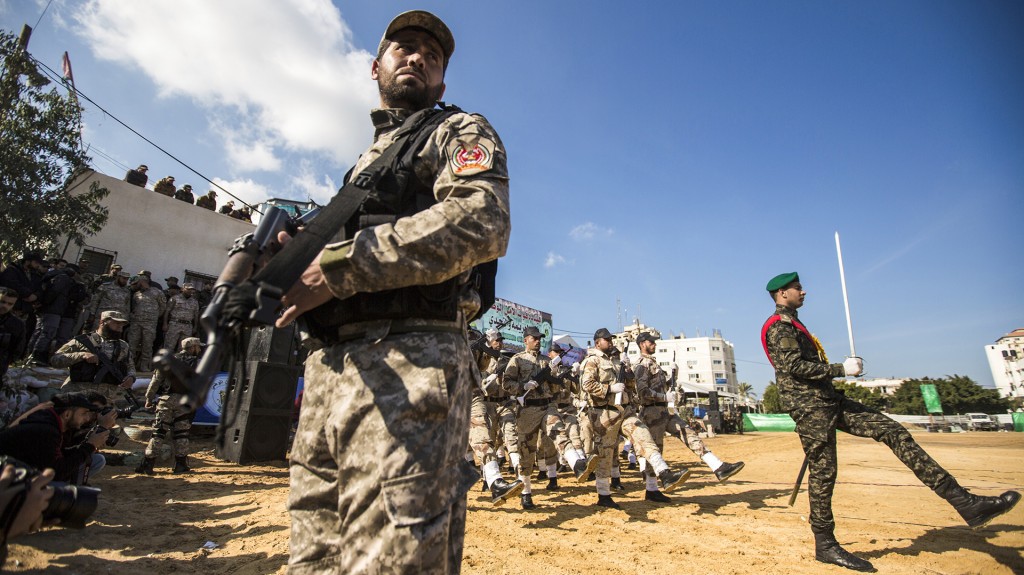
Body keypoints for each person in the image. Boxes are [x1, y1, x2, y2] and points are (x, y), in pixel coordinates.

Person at [275, 10, 510, 574]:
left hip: (407, 363)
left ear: (442, 82)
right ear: (374, 66)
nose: (418, 58)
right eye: (404, 47)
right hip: (331, 374)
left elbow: (482, 220)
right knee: (313, 560)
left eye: (432, 56)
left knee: (389, 563)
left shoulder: (456, 130)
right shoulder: (366, 165)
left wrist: (333, 269)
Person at [762, 272, 1020, 572]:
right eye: (797, 288)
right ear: (782, 294)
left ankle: (963, 501)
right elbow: (793, 366)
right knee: (824, 472)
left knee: (893, 430)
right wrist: (839, 368)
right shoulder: (779, 326)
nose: (803, 292)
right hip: (810, 407)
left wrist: (836, 373)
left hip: (828, 400)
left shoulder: (793, 323)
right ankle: (825, 543)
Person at [580, 328, 688, 508]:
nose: (611, 342)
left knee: (643, 436)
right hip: (604, 413)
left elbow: (630, 386)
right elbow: (587, 385)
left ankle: (664, 473)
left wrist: (627, 371)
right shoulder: (591, 361)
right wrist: (609, 389)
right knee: (605, 456)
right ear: (598, 342)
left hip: (625, 410)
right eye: (607, 339)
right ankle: (603, 495)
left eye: (611, 339)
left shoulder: (615, 361)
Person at [633, 332, 744, 502]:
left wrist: (670, 378)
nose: (655, 344)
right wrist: (664, 397)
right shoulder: (641, 365)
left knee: (688, 433)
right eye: (651, 342)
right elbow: (642, 392)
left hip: (665, 410)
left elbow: (660, 387)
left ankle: (718, 466)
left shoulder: (653, 363)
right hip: (651, 412)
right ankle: (651, 489)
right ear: (642, 344)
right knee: (655, 449)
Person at [503, 326, 594, 509]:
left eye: (539, 338)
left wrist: (553, 375)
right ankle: (526, 492)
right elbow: (506, 383)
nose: (538, 341)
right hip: (527, 411)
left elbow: (554, 389)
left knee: (559, 431)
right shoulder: (517, 359)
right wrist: (523, 386)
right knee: (526, 453)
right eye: (534, 338)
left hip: (547, 406)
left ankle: (577, 464)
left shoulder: (546, 361)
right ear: (526, 340)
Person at [0, 392, 112, 483]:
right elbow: (56, 473)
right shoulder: (46, 430)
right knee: (61, 490)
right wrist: (89, 446)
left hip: (25, 471)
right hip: (9, 479)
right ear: (67, 414)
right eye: (83, 413)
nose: (87, 418)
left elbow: (59, 455)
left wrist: (88, 446)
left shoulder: (53, 423)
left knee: (96, 460)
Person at [137, 337, 201, 475]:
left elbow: (156, 380)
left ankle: (148, 464)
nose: (200, 350)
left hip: (167, 399)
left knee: (158, 432)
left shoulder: (169, 361)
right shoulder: (199, 364)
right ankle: (181, 465)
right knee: (181, 433)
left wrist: (149, 398)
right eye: (198, 347)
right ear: (192, 348)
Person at [51, 310, 136, 409]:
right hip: (78, 393)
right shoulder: (82, 341)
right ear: (102, 322)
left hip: (105, 398)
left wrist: (131, 378)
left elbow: (130, 366)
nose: (120, 327)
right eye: (116, 323)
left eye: (122, 324)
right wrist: (81, 355)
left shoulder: (123, 346)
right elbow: (55, 360)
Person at [126, 275, 166, 372]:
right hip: (136, 323)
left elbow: (163, 307)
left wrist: (153, 316)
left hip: (150, 324)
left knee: (147, 345)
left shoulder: (157, 292)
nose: (135, 286)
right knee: (132, 345)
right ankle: (129, 365)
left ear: (143, 282)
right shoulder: (136, 294)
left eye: (137, 283)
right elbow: (133, 308)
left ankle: (144, 367)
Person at [163, 283, 199, 354]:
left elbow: (196, 316)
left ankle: (177, 364)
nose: (190, 291)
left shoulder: (195, 302)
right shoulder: (175, 298)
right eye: (188, 289)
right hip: (174, 324)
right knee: (169, 347)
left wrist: (195, 327)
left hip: (187, 326)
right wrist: (165, 324)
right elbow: (167, 311)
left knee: (183, 349)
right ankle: (164, 363)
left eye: (192, 290)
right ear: (182, 289)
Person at [0, 288, 26, 378]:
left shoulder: (17, 325)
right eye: (2, 302)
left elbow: (18, 348)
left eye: (10, 304)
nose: (5, 306)